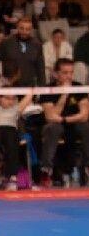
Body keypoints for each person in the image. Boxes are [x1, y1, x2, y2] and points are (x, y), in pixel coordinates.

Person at [39, 58, 89, 188]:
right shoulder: (48, 89)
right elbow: (50, 116)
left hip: (73, 121)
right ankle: (46, 171)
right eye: (65, 73)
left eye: (71, 73)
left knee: (86, 127)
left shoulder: (78, 87)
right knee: (52, 128)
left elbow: (85, 115)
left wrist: (65, 119)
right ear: (56, 74)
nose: (69, 76)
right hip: (56, 124)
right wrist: (64, 95)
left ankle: (86, 169)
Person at [0, 86, 34, 191]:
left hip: (11, 131)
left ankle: (12, 178)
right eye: (7, 98)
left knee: (12, 142)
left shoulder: (15, 109)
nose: (10, 101)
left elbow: (28, 97)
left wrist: (31, 91)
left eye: (13, 99)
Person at [0, 18, 45, 87]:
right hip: (9, 86)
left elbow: (41, 68)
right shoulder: (6, 42)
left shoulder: (37, 45)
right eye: (22, 28)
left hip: (29, 87)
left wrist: (42, 87)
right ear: (17, 28)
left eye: (27, 29)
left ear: (31, 30)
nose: (24, 31)